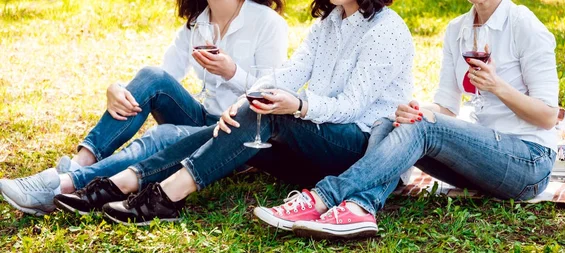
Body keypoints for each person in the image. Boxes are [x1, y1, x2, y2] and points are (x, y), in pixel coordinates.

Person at [53, 0, 415, 226]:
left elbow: (352, 107)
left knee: (267, 113)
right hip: (316, 150)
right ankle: (125, 182)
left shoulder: (387, 30)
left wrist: (299, 106)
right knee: (244, 114)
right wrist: (242, 103)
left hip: (361, 151)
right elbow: (288, 75)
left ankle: (165, 194)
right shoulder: (326, 25)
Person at [255, 0, 560, 239]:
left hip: (528, 162)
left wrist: (498, 87)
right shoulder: (458, 29)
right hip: (480, 161)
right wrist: (415, 112)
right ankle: (360, 209)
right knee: (391, 119)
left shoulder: (525, 26)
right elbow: (447, 109)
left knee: (422, 126)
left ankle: (325, 196)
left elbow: (548, 117)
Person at [0, 0, 288, 216]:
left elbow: (272, 94)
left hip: (240, 133)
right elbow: (164, 75)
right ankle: (82, 162)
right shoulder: (198, 23)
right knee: (153, 76)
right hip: (204, 117)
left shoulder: (266, 22)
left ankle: (63, 184)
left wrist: (231, 71)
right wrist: (117, 88)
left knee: (165, 136)